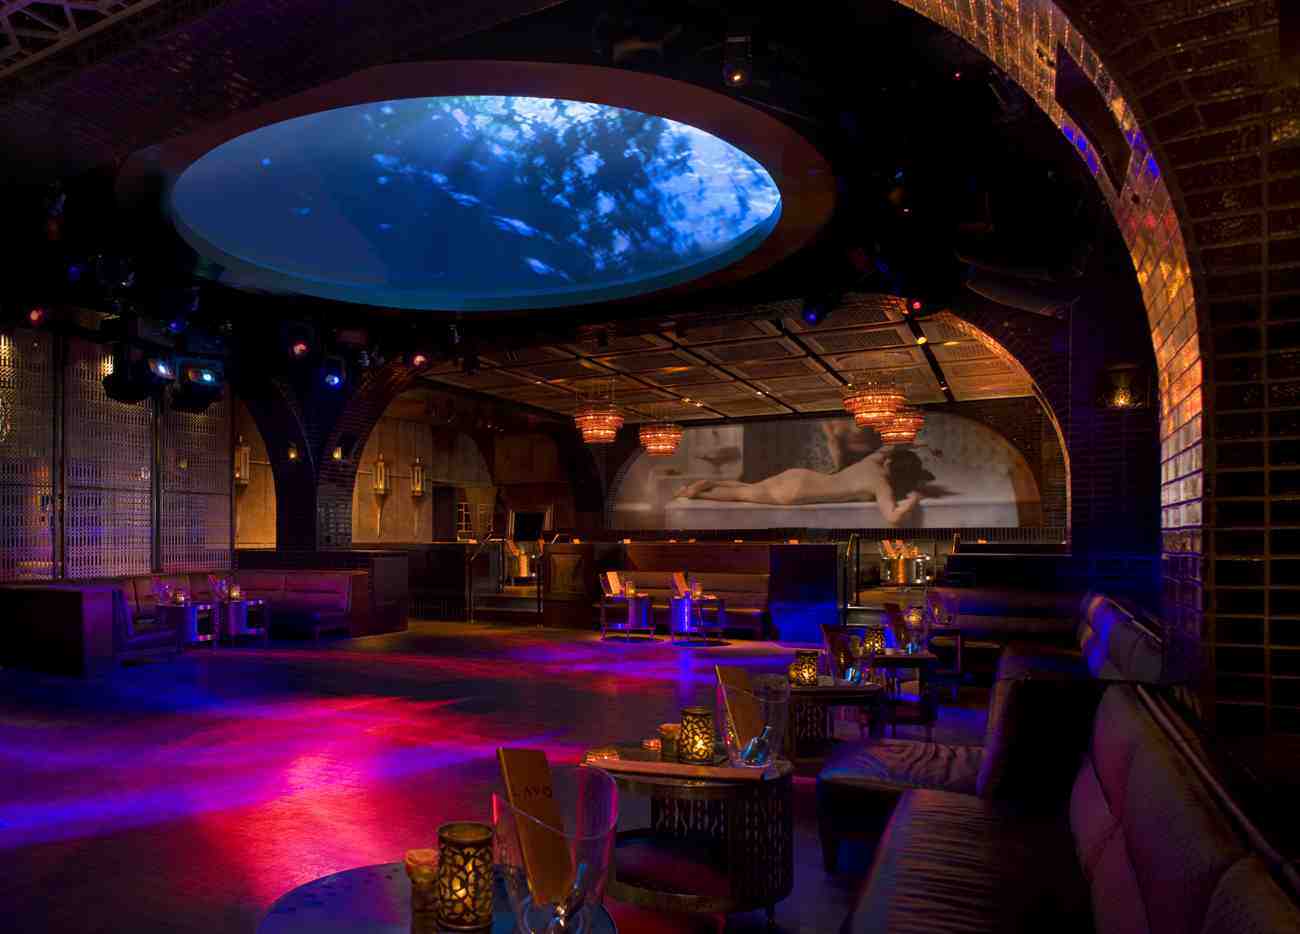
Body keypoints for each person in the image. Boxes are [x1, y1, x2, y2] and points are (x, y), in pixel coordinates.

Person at [675, 445, 934, 526]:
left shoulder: (872, 461)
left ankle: (705, 485)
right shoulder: (881, 485)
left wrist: (919, 446)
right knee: (741, 494)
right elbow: (893, 518)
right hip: (796, 493)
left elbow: (890, 446)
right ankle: (697, 493)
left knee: (748, 487)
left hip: (801, 476)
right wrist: (914, 499)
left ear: (890, 461)